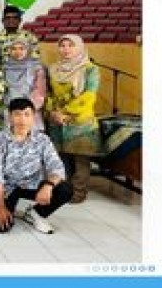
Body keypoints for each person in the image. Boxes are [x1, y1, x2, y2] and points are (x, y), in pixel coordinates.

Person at [0, 98, 72, 234]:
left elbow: (57, 167)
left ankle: (35, 213)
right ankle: (1, 204)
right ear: (9, 117)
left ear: (33, 117)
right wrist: (0, 206)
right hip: (6, 188)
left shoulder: (42, 139)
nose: (22, 120)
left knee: (65, 189)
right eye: (17, 114)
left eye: (27, 114)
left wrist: (48, 185)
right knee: (1, 227)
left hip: (32, 184)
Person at [45, 34, 101, 204]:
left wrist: (65, 112)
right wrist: (52, 112)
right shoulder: (54, 68)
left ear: (80, 47)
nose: (66, 49)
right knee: (61, 157)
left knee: (80, 159)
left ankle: (78, 193)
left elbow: (89, 95)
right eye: (62, 45)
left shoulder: (90, 69)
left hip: (80, 121)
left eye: (71, 45)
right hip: (57, 120)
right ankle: (63, 190)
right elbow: (49, 94)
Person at [3, 38, 47, 131]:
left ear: (28, 50)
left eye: (21, 48)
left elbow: (40, 91)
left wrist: (27, 107)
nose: (17, 52)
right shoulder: (4, 68)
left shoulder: (36, 67)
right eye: (14, 49)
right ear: (9, 51)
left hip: (29, 109)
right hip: (10, 108)